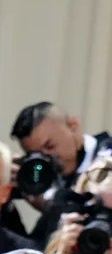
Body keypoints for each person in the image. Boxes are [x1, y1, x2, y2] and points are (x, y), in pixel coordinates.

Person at [11, 100, 112, 241]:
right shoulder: (43, 174)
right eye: (37, 155)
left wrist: (52, 201)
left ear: (73, 126)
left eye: (50, 146)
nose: (47, 160)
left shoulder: (107, 159)